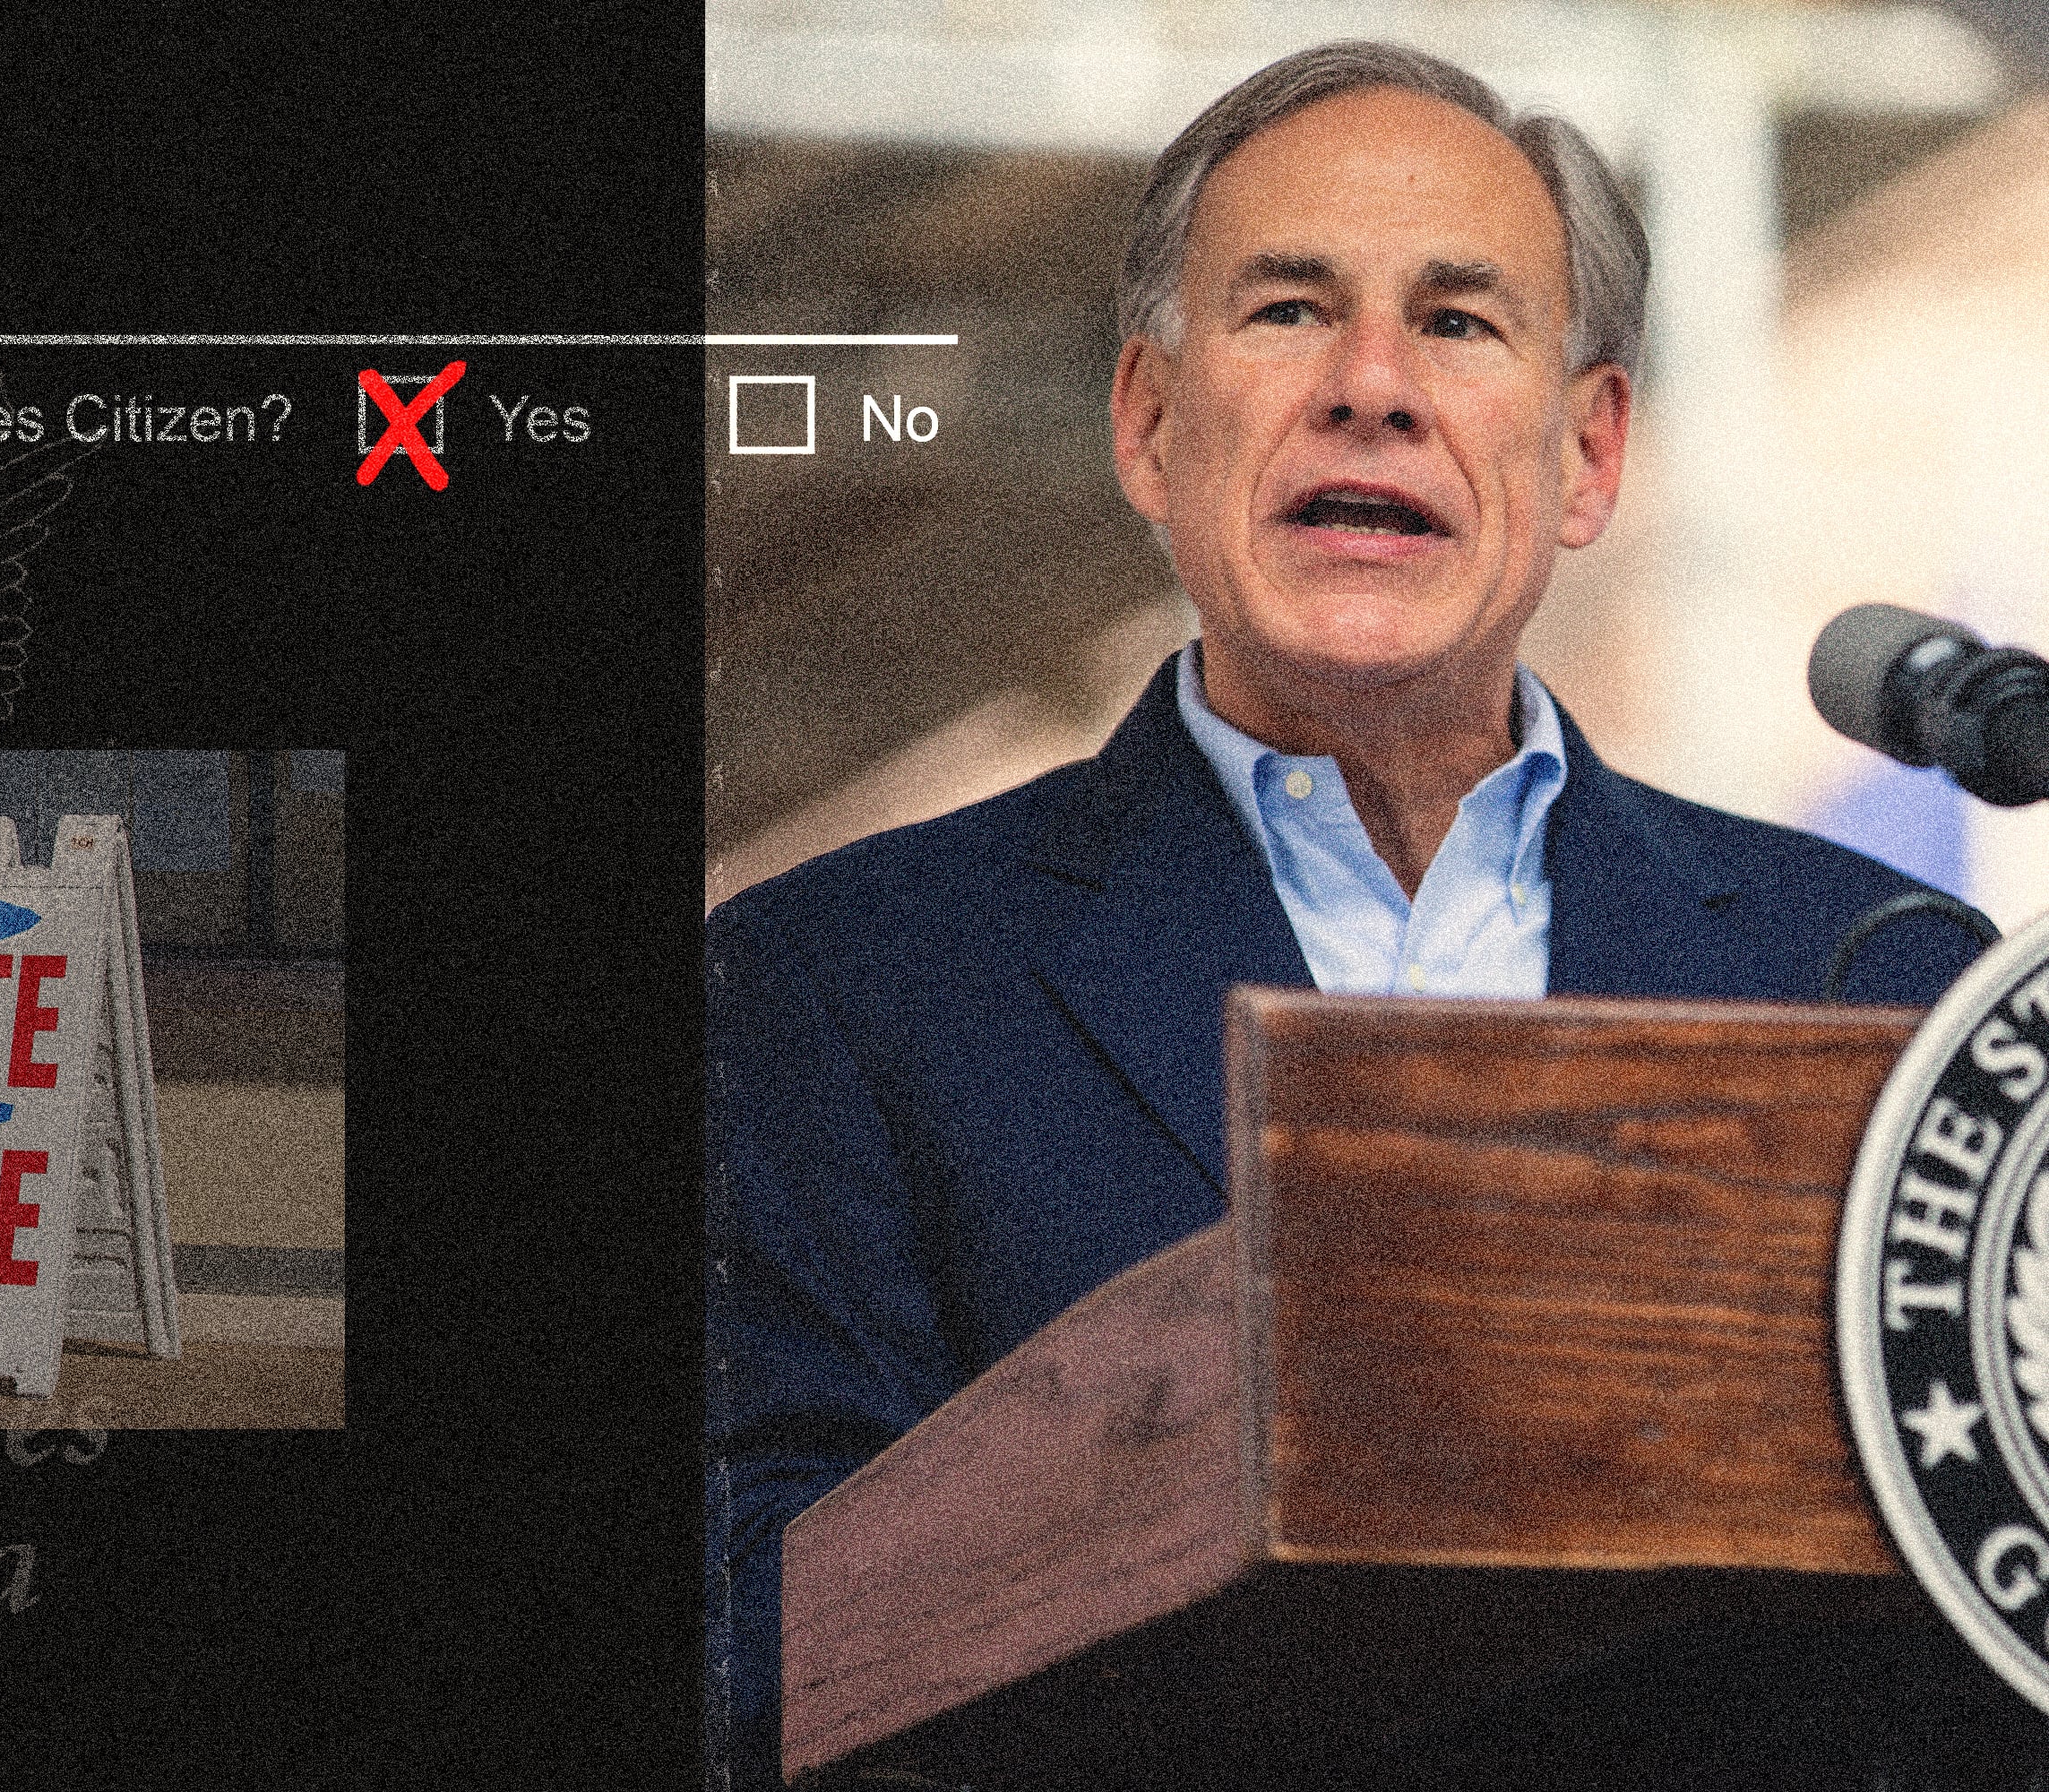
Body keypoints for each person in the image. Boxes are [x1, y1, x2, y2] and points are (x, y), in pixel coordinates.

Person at [705, 39, 2002, 1792]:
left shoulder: (1891, 994)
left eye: (1462, 325)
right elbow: (752, 1667)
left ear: (1587, 454)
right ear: (1152, 428)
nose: (1372, 385)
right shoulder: (825, 992)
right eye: (1290, 312)